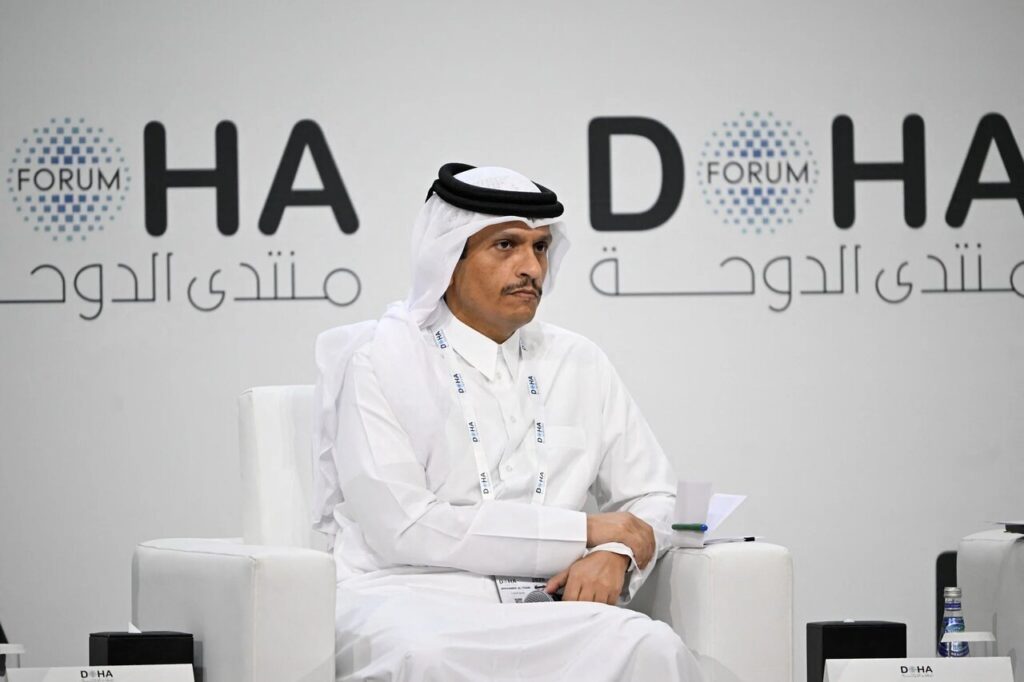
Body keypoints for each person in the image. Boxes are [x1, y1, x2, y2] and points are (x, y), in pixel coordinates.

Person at [313, 163, 700, 681]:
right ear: (449, 258)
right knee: (425, 656)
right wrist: (585, 530)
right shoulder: (381, 358)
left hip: (547, 599)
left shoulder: (577, 361)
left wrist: (614, 552)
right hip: (406, 594)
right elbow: (404, 528)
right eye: (506, 246)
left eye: (540, 247)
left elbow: (656, 495)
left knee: (651, 645)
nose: (531, 268)